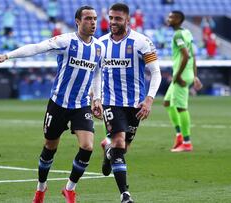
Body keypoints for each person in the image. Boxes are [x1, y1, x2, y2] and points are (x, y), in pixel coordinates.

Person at [0, 6, 104, 203]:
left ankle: (69, 189)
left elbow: (98, 73)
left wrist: (97, 98)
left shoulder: (99, 47)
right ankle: (41, 188)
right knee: (50, 147)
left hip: (81, 105)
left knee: (87, 147)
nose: (93, 22)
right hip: (58, 103)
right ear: (77, 21)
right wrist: (7, 56)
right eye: (88, 19)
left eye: (94, 19)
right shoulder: (66, 41)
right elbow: (36, 48)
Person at [98, 3, 162, 203]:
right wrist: (96, 98)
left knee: (122, 148)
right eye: (111, 18)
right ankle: (125, 194)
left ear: (128, 20)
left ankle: (108, 151)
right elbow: (96, 72)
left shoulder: (142, 42)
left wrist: (149, 100)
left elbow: (156, 72)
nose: (113, 22)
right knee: (119, 142)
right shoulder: (100, 44)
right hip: (111, 102)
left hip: (135, 104)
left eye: (118, 19)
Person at [163, 11, 203, 152]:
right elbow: (193, 54)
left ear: (179, 19)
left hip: (181, 74)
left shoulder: (178, 35)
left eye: (171, 17)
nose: (168, 19)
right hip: (186, 73)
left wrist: (178, 76)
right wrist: (195, 75)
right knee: (167, 102)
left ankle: (187, 142)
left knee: (181, 107)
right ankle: (179, 135)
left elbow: (186, 56)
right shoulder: (187, 32)